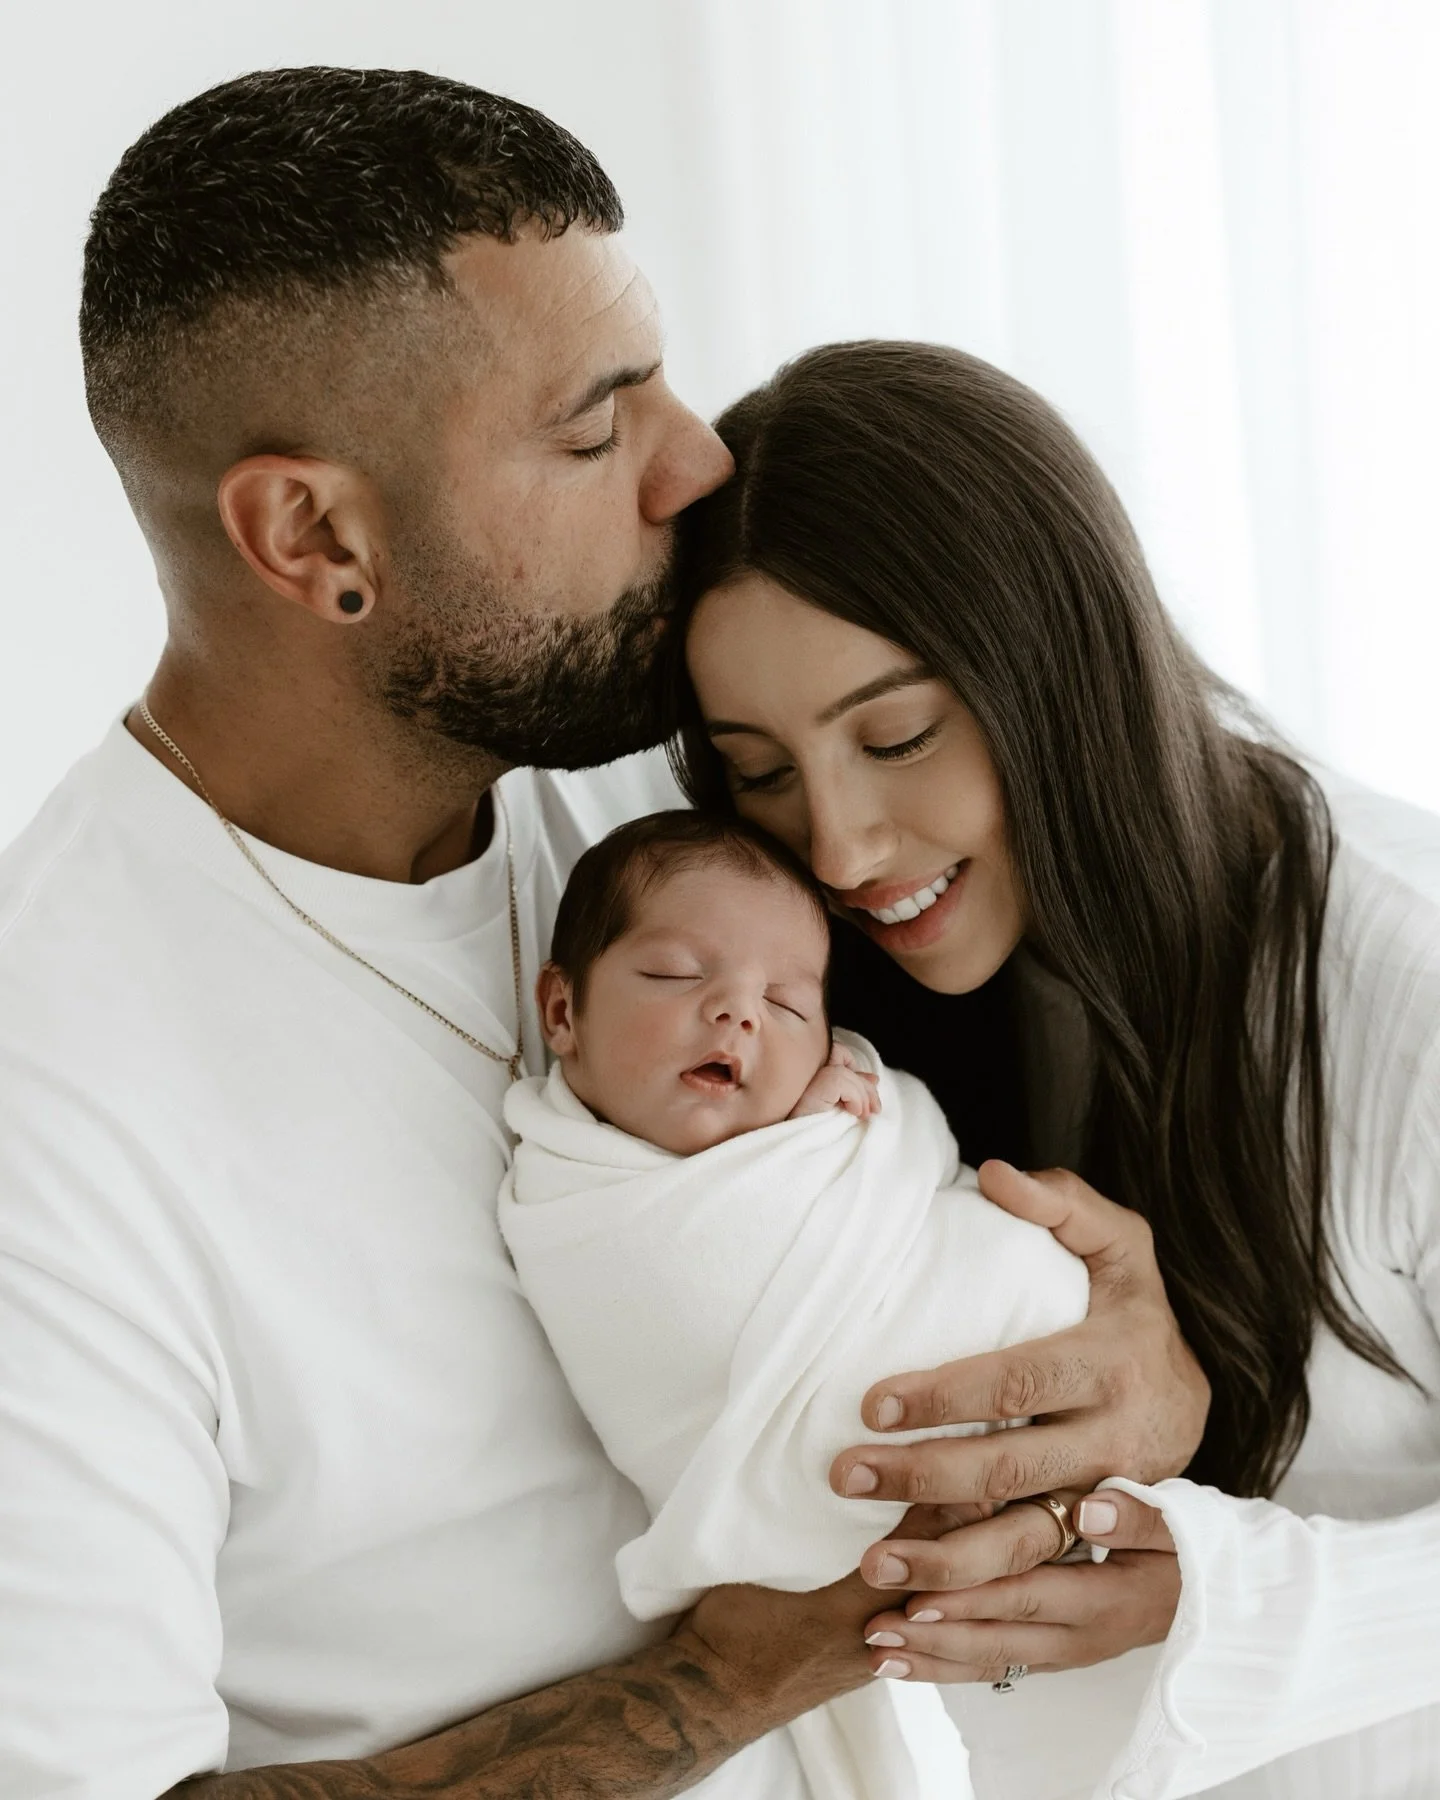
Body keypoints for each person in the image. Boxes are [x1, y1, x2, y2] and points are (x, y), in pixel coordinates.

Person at [0, 68, 1203, 1800]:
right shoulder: (58, 1108)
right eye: (593, 429)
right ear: (316, 535)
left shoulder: (663, 803)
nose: (697, 459)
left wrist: (1125, 1380)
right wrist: (740, 1670)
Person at [674, 338, 1440, 1800]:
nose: (837, 844)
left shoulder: (1404, 987)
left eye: (897, 735)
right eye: (761, 771)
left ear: (1063, 668)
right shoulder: (839, 1007)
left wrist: (1210, 1588)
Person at [496, 809, 1088, 1797]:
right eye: (675, 974)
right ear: (562, 1014)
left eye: (786, 1001)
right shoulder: (570, 1199)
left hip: (1021, 1404)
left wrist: (820, 1133)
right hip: (833, 1499)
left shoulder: (830, 1105)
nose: (738, 1012)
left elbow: (897, 1156)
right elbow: (680, 1311)